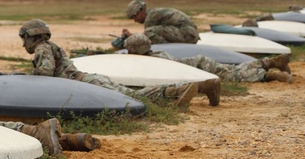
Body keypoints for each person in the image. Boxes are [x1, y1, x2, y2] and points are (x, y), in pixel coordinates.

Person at [18, 19, 218, 106]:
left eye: (23, 38)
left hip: (86, 84)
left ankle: (178, 91)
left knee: (136, 97)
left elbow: (44, 75)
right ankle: (192, 88)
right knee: (133, 95)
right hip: (89, 81)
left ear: (31, 36)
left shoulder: (42, 48)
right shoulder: (50, 46)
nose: (23, 44)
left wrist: (22, 79)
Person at [123, 33, 292, 83]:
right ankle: (269, 62)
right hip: (198, 62)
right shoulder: (156, 55)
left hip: (198, 68)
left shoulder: (152, 62)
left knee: (233, 76)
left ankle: (267, 75)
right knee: (233, 69)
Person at [122, 0, 200, 44]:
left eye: (135, 16)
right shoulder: (153, 13)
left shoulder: (151, 17)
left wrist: (131, 37)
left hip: (187, 33)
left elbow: (146, 40)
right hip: (189, 33)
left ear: (141, 11)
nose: (135, 20)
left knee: (148, 32)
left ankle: (166, 50)